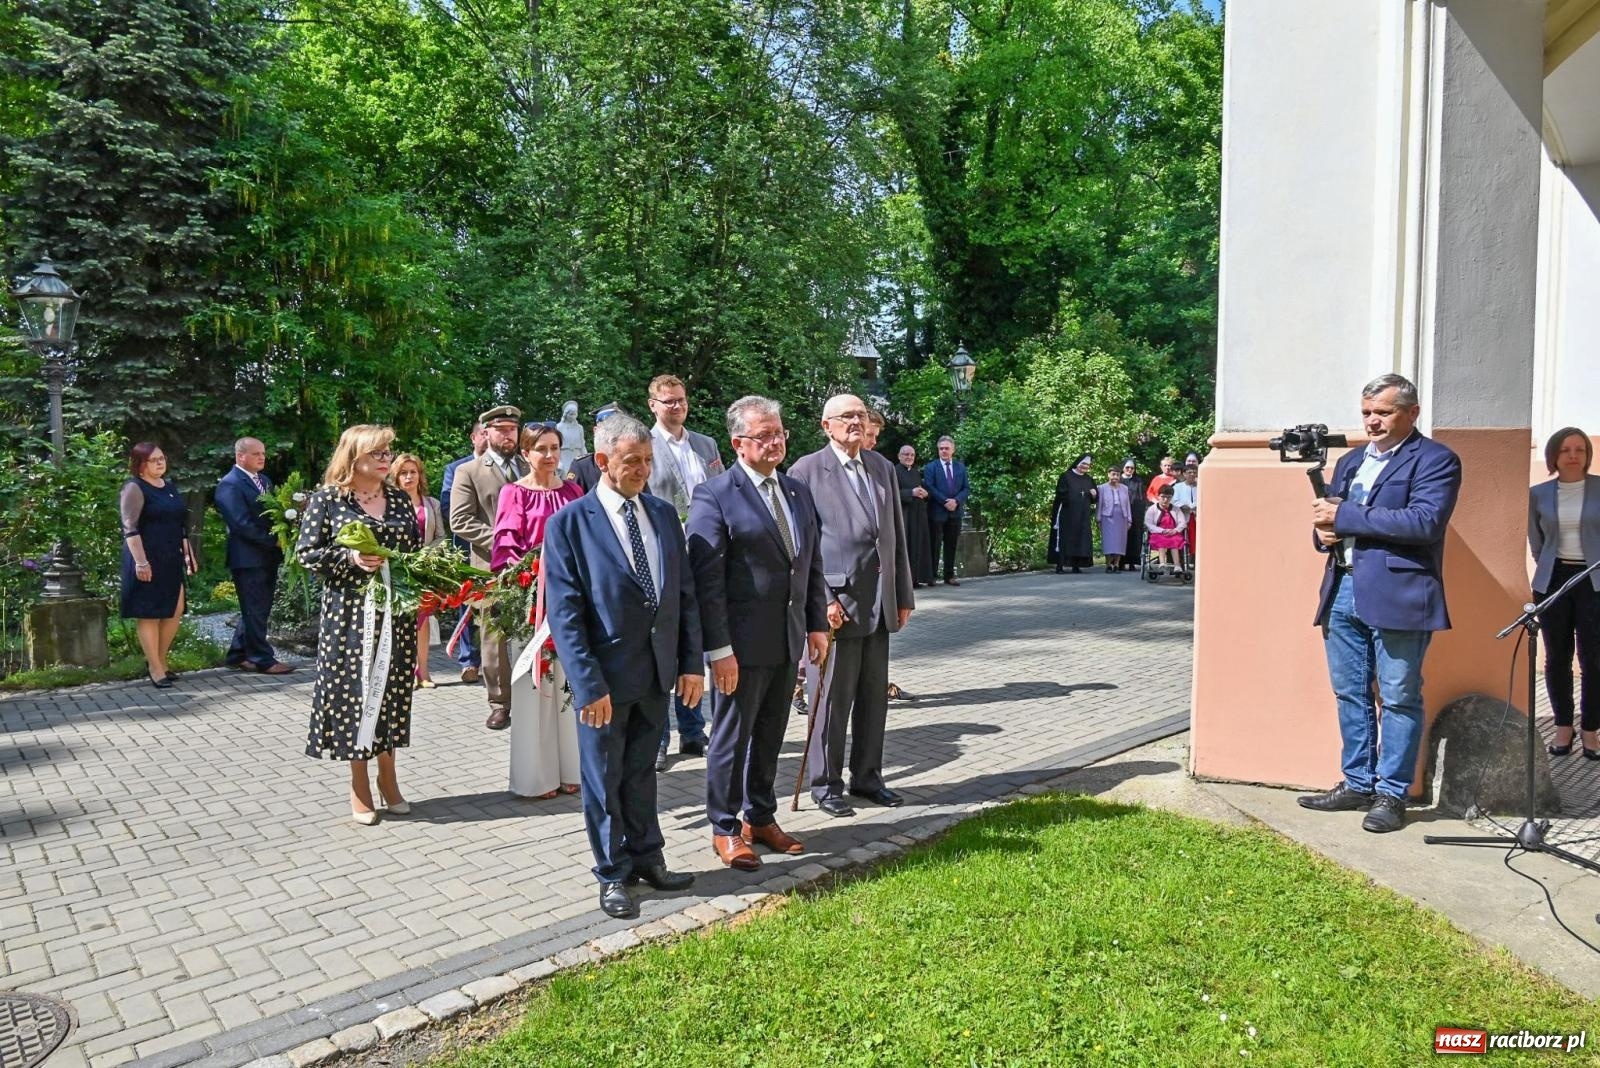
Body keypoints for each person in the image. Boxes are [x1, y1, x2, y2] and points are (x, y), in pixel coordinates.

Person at [543, 413, 703, 919]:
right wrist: (588, 684)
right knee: (603, 779)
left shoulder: (660, 515)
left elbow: (683, 595)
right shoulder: (569, 524)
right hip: (604, 681)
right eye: (632, 461)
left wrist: (690, 664)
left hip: (655, 673)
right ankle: (612, 872)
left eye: (648, 461)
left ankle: (648, 859)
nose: (642, 470)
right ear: (602, 459)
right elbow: (564, 612)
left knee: (641, 774)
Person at [1296, 373, 1461, 834]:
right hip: (1343, 588)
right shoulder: (1350, 462)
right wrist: (1323, 532)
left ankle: (1392, 793)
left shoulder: (1435, 460)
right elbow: (1332, 521)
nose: (1372, 421)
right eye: (1367, 412)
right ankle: (1357, 783)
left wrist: (1343, 515)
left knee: (1399, 695)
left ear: (1412, 413)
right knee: (1350, 691)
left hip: (1401, 594)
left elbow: (1424, 522)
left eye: (1383, 413)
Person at [686, 396, 829, 871]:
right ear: (737, 443)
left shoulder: (795, 491)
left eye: (780, 433)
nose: (776, 442)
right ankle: (724, 827)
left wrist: (814, 623)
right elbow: (707, 581)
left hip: (786, 638)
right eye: (764, 435)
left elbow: (809, 563)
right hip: (739, 646)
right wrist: (719, 649)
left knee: (770, 734)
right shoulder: (715, 495)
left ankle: (760, 817)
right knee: (732, 737)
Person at [788, 394, 915, 817]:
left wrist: (903, 594)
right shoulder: (807, 471)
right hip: (835, 605)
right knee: (831, 701)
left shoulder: (880, 466)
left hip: (879, 601)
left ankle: (868, 778)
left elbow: (894, 535)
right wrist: (821, 599)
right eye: (847, 416)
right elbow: (800, 547)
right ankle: (825, 785)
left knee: (873, 697)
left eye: (861, 415)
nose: (856, 422)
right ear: (826, 425)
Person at [296, 425, 421, 825]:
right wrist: (349, 559)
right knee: (355, 694)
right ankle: (359, 784)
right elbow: (308, 554)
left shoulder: (399, 499)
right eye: (378, 453)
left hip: (394, 613)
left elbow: (413, 551)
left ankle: (389, 776)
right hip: (349, 617)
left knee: (392, 692)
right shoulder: (328, 500)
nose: (386, 459)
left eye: (388, 452)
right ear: (354, 457)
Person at [492, 424, 586, 797]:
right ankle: (536, 777)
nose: (550, 456)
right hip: (531, 603)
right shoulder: (513, 494)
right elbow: (505, 548)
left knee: (569, 687)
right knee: (535, 689)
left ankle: (572, 770)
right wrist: (534, 576)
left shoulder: (574, 491)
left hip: (571, 602)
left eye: (555, 448)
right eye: (541, 449)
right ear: (526, 453)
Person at [645, 374, 721, 768]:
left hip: (705, 554)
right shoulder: (644, 444)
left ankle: (693, 731)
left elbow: (722, 488)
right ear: (652, 405)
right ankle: (659, 737)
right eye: (669, 401)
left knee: (695, 641)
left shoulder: (705, 444)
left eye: (681, 400)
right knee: (664, 647)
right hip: (661, 554)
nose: (677, 406)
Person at [449, 405, 529, 731]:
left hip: (532, 567)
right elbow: (460, 521)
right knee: (494, 639)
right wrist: (504, 541)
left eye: (512, 429)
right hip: (490, 568)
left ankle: (534, 697)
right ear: (486, 433)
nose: (508, 435)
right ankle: (500, 703)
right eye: (501, 429)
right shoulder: (469, 471)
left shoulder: (531, 464)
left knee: (532, 631)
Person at [1529, 427, 1600, 758]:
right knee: (1557, 657)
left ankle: (1590, 730)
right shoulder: (1538, 494)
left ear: (1587, 455)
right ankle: (1562, 726)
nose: (1573, 455)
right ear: (1554, 456)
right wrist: (1548, 569)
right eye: (1566, 450)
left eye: (1580, 450)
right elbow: (1536, 541)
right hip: (1553, 580)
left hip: (1594, 579)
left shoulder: (1599, 489)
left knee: (1593, 659)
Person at [214, 436, 291, 675]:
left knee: (257, 608)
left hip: (266, 556)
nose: (262, 458)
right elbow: (241, 523)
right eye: (256, 454)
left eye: (263, 454)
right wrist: (273, 541)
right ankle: (262, 659)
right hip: (247, 558)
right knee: (255, 608)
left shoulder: (264, 481)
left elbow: (272, 514)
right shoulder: (230, 484)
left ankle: (238, 654)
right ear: (241, 456)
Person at [120, 442, 195, 689]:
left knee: (175, 608)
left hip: (171, 558)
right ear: (140, 464)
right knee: (150, 612)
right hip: (146, 558)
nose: (160, 462)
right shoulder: (135, 487)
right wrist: (141, 561)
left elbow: (181, 526)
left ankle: (161, 661)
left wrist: (187, 553)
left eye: (162, 458)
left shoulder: (169, 487)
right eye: (154, 460)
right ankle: (154, 666)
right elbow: (130, 527)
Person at [439, 421, 487, 685]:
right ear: (473, 437)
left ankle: (496, 660)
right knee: (469, 602)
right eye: (482, 434)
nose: (487, 438)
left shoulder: (508, 467)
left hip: (498, 550)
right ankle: (469, 661)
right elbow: (448, 507)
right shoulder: (456, 468)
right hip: (467, 546)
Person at [392, 453, 445, 688]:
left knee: (422, 623)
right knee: (400, 623)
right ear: (396, 476)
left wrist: (426, 555)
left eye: (413, 472)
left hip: (423, 570)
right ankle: (404, 673)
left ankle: (423, 673)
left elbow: (442, 536)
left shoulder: (431, 504)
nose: (409, 476)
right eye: (403, 472)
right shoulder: (389, 503)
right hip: (397, 571)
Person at [922, 435, 969, 586]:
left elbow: (966, 488)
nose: (944, 451)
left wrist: (956, 501)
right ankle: (932, 576)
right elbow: (929, 487)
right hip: (937, 512)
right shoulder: (931, 467)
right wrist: (945, 501)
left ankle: (949, 576)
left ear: (953, 450)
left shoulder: (960, 467)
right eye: (941, 448)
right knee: (934, 545)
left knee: (951, 544)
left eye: (946, 448)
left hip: (955, 511)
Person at [1048, 454, 1097, 574]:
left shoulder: (1089, 479)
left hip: (1082, 515)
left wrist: (1094, 495)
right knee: (1064, 539)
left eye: (1088, 465)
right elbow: (1060, 493)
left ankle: (1076, 565)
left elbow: (1094, 498)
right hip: (1067, 514)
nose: (1085, 467)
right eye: (1084, 464)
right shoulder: (1066, 476)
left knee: (1080, 539)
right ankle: (1059, 565)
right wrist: (1072, 501)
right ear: (1077, 463)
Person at [897, 444, 936, 587]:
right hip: (905, 516)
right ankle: (907, 581)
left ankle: (916, 578)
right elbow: (891, 493)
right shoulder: (894, 472)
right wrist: (910, 493)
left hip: (919, 516)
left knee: (919, 546)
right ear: (899, 456)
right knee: (907, 546)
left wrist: (925, 494)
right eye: (906, 454)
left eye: (912, 455)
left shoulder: (915, 472)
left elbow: (922, 490)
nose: (909, 457)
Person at [566, 403, 623, 493]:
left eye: (620, 429)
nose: (615, 434)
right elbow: (572, 502)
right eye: (609, 429)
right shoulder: (582, 467)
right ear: (596, 431)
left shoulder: (632, 462)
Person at [1144, 484, 1188, 575]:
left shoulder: (1176, 509)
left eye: (1168, 497)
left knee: (1175, 540)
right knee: (1161, 540)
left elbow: (1182, 522)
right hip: (1158, 532)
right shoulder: (1152, 509)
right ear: (1158, 496)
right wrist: (1162, 531)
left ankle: (1177, 565)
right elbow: (1148, 523)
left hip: (1173, 532)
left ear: (1171, 498)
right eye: (1163, 497)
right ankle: (1162, 563)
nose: (1165, 499)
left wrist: (1175, 530)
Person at [1096, 465, 1133, 572]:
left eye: (1117, 474)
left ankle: (1116, 564)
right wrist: (1098, 519)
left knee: (1120, 542)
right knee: (1108, 542)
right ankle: (1108, 564)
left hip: (1122, 517)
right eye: (1113, 474)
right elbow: (1100, 504)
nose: (1115, 477)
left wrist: (1129, 519)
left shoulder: (1124, 488)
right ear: (1108, 475)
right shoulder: (1102, 488)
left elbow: (1127, 505)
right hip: (1107, 517)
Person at [1119, 460, 1145, 570]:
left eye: (1132, 468)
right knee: (1121, 537)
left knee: (1134, 537)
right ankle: (1120, 562)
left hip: (1135, 512)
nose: (1129, 470)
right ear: (1123, 468)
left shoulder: (1138, 481)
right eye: (1127, 467)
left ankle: (1132, 562)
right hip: (1120, 512)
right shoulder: (1118, 479)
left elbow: (1141, 497)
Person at [1172, 464, 1200, 558]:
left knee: (1196, 539)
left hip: (1197, 516)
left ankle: (1194, 557)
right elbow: (1174, 500)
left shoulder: (1201, 486)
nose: (1192, 474)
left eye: (1194, 472)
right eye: (1189, 472)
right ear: (1184, 474)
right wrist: (1182, 506)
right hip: (1183, 515)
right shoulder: (1177, 487)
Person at [556, 400, 586, 476]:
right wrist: (558, 461)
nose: (573, 416)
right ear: (566, 414)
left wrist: (586, 459)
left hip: (577, 456)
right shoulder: (559, 427)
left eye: (574, 414)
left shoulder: (579, 428)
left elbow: (582, 445)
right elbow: (556, 446)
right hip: (564, 456)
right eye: (571, 414)